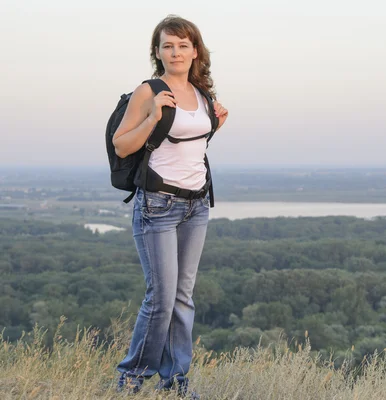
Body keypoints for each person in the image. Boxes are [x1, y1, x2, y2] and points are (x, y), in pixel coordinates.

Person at [111, 14, 228, 396]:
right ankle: (131, 376)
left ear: (195, 51)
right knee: (160, 298)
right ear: (157, 52)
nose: (175, 52)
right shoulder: (149, 91)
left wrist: (216, 122)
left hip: (197, 206)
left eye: (183, 45)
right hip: (157, 205)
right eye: (167, 45)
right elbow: (122, 145)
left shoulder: (202, 93)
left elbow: (190, 146)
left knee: (182, 298)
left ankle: (176, 382)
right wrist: (154, 116)